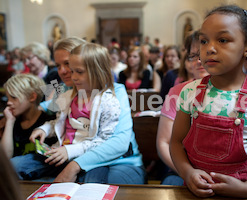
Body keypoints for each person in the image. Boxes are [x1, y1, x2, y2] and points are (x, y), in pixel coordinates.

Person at [170, 5, 247, 198]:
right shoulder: (189, 92)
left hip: (245, 191)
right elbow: (176, 142)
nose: (210, 49)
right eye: (204, 41)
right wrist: (187, 172)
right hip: (196, 192)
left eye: (223, 40)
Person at [40, 37, 145, 184]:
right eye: (58, 65)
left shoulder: (115, 92)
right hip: (75, 154)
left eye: (67, 64)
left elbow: (119, 143)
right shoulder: (66, 89)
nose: (63, 71)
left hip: (119, 161)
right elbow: (46, 106)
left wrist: (75, 165)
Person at [12, 43, 121, 181]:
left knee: (92, 184)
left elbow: (104, 142)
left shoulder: (108, 102)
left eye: (79, 72)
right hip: (58, 153)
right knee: (13, 165)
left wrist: (70, 151)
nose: (73, 77)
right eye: (72, 71)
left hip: (88, 159)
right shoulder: (67, 96)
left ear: (98, 71)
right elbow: (58, 122)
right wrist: (44, 129)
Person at [157, 30, 209, 186]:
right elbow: (164, 143)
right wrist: (187, 172)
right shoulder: (178, 92)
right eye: (193, 56)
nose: (199, 61)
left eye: (203, 54)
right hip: (182, 167)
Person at [1, 74, 56, 159]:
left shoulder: (48, 124)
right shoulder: (11, 120)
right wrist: (9, 122)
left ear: (32, 97)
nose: (8, 102)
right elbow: (5, 158)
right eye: (8, 98)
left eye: (14, 98)